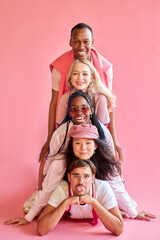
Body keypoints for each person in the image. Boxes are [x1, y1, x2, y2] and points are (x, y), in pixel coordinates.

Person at [4, 92, 155, 228]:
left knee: (115, 192)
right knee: (48, 192)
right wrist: (30, 217)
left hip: (94, 183)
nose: (83, 148)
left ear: (95, 145)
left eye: (88, 143)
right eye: (78, 143)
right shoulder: (61, 146)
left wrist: (134, 213)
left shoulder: (102, 138)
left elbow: (115, 184)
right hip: (63, 182)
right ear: (72, 143)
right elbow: (49, 184)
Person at [39, 22, 123, 167]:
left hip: (95, 126)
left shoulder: (105, 68)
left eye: (86, 42)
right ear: (70, 42)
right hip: (70, 122)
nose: (81, 46)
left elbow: (109, 105)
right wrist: (50, 138)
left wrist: (114, 140)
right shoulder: (59, 68)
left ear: (92, 42)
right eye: (76, 42)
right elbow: (54, 102)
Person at [37, 159, 123, 236]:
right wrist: (65, 203)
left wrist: (94, 202)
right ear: (69, 178)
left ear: (93, 178)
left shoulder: (102, 188)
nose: (81, 182)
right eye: (76, 176)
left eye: (86, 176)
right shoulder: (62, 190)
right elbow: (41, 230)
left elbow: (118, 229)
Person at [56, 58, 116, 127]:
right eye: (75, 73)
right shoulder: (65, 98)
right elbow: (61, 127)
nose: (80, 78)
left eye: (85, 74)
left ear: (91, 78)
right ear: (70, 77)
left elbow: (102, 129)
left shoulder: (100, 98)